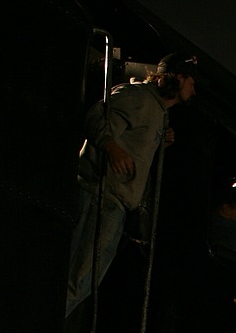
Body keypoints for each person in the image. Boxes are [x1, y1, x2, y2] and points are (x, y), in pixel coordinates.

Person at [65, 54, 197, 317]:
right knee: (77, 280)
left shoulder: (158, 112)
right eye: (192, 83)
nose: (194, 91)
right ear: (179, 78)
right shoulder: (139, 97)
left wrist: (160, 143)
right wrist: (111, 148)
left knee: (84, 282)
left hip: (115, 204)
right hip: (102, 196)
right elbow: (96, 117)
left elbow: (134, 142)